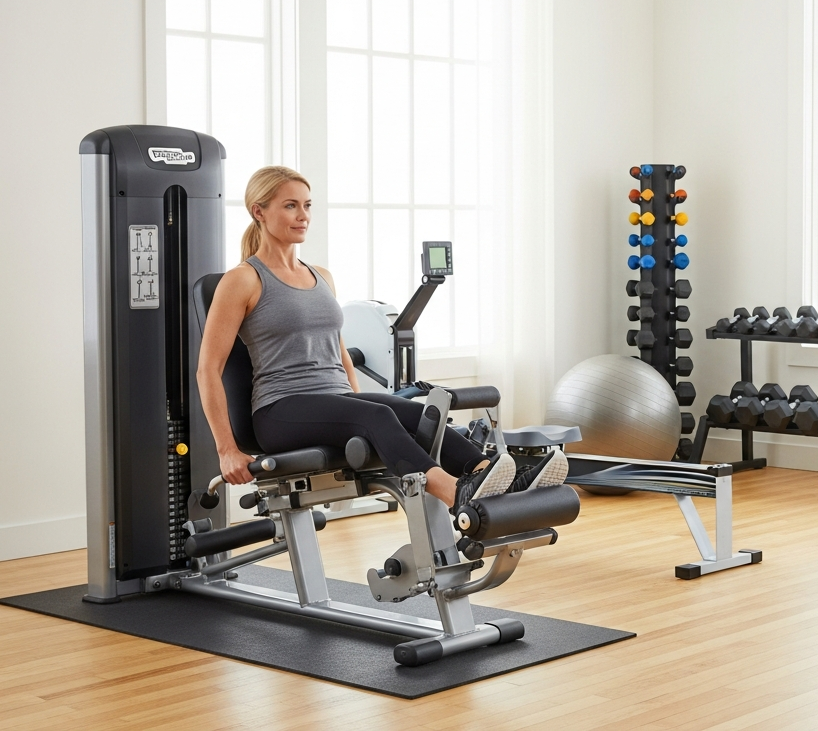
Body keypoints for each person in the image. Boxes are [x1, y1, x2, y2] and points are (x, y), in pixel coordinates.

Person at [195, 165, 566, 521]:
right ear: (258, 211)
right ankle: (455, 493)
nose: (303, 215)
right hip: (279, 411)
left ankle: (491, 475)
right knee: (377, 415)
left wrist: (355, 401)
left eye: (307, 205)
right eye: (290, 206)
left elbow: (339, 352)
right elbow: (208, 369)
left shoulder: (321, 276)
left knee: (420, 415)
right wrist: (227, 450)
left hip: (335, 400)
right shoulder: (243, 280)